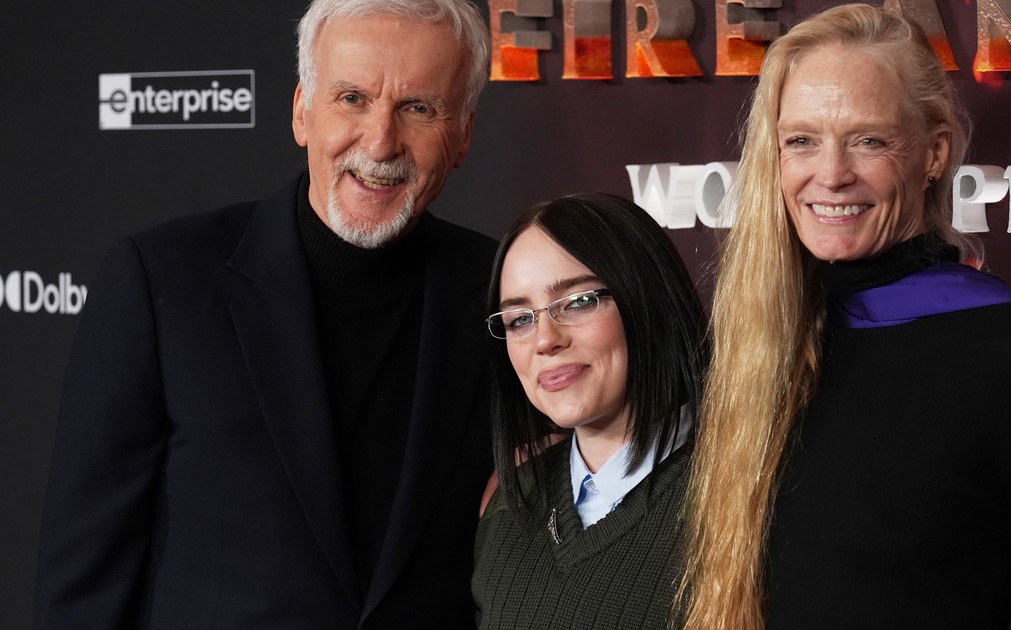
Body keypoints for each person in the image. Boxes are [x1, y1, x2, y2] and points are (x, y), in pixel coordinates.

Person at [34, 0, 494, 628]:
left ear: (463, 134)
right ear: (302, 111)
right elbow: (84, 581)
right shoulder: (161, 278)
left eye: (418, 108)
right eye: (352, 99)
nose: (380, 141)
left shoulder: (506, 295)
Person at [678, 5, 1011, 629]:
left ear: (934, 154)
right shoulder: (755, 342)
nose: (831, 175)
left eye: (869, 141)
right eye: (801, 140)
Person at [472, 193, 708, 629]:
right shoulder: (511, 504)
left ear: (648, 299)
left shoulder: (742, 494)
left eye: (579, 302)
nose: (545, 340)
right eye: (520, 319)